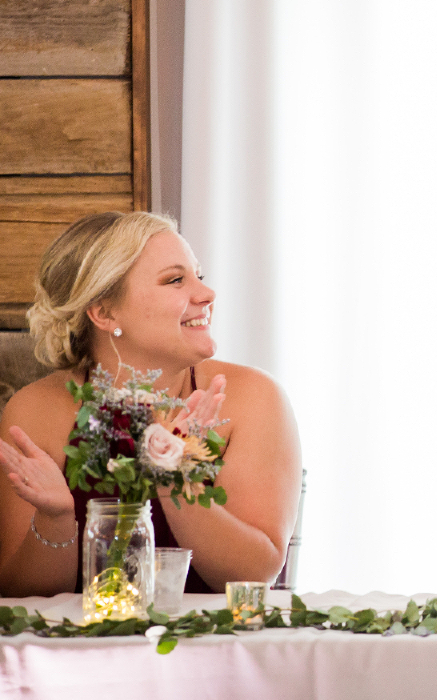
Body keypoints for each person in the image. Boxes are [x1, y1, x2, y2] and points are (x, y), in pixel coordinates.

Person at [0, 212, 302, 596]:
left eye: (199, 276)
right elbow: (22, 600)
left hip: (216, 649)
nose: (207, 294)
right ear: (105, 312)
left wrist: (174, 481)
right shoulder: (35, 412)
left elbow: (253, 576)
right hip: (81, 652)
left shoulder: (253, 398)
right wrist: (55, 519)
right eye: (176, 280)